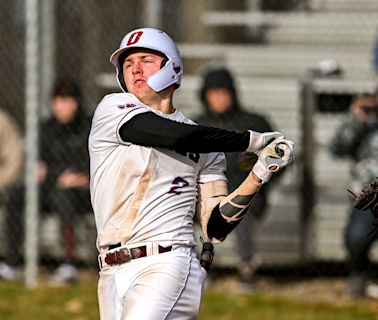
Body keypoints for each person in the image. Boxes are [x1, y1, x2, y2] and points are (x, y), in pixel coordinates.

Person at [89, 27, 294, 320]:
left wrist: (259, 173)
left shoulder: (203, 143)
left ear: (170, 66)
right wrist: (249, 141)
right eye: (127, 63)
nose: (135, 69)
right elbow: (172, 136)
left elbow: (215, 227)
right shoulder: (113, 109)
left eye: (145, 60)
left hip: (167, 264)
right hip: (111, 270)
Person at [195, 67, 280, 291]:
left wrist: (261, 184)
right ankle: (196, 268)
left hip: (246, 193)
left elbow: (279, 156)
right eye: (212, 93)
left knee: (243, 208)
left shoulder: (254, 124)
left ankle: (246, 269)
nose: (218, 98)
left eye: (223, 92)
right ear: (204, 96)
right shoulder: (196, 126)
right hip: (203, 194)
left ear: (233, 93)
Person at [1, 78, 92, 284]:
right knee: (17, 193)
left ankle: (68, 265)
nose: (63, 107)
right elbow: (39, 168)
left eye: (68, 101)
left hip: (81, 193)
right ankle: (12, 263)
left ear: (77, 102)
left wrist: (71, 174)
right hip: (50, 189)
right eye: (59, 101)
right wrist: (60, 176)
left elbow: (88, 164)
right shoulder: (46, 128)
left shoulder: (88, 126)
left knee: (64, 196)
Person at [329, 92, 378, 298]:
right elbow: (337, 148)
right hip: (369, 197)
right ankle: (359, 276)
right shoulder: (365, 123)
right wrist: (356, 118)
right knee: (355, 239)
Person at [0, 109, 23, 281]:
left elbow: (15, 159)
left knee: (14, 197)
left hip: (3, 183)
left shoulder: (2, 122)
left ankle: (11, 263)